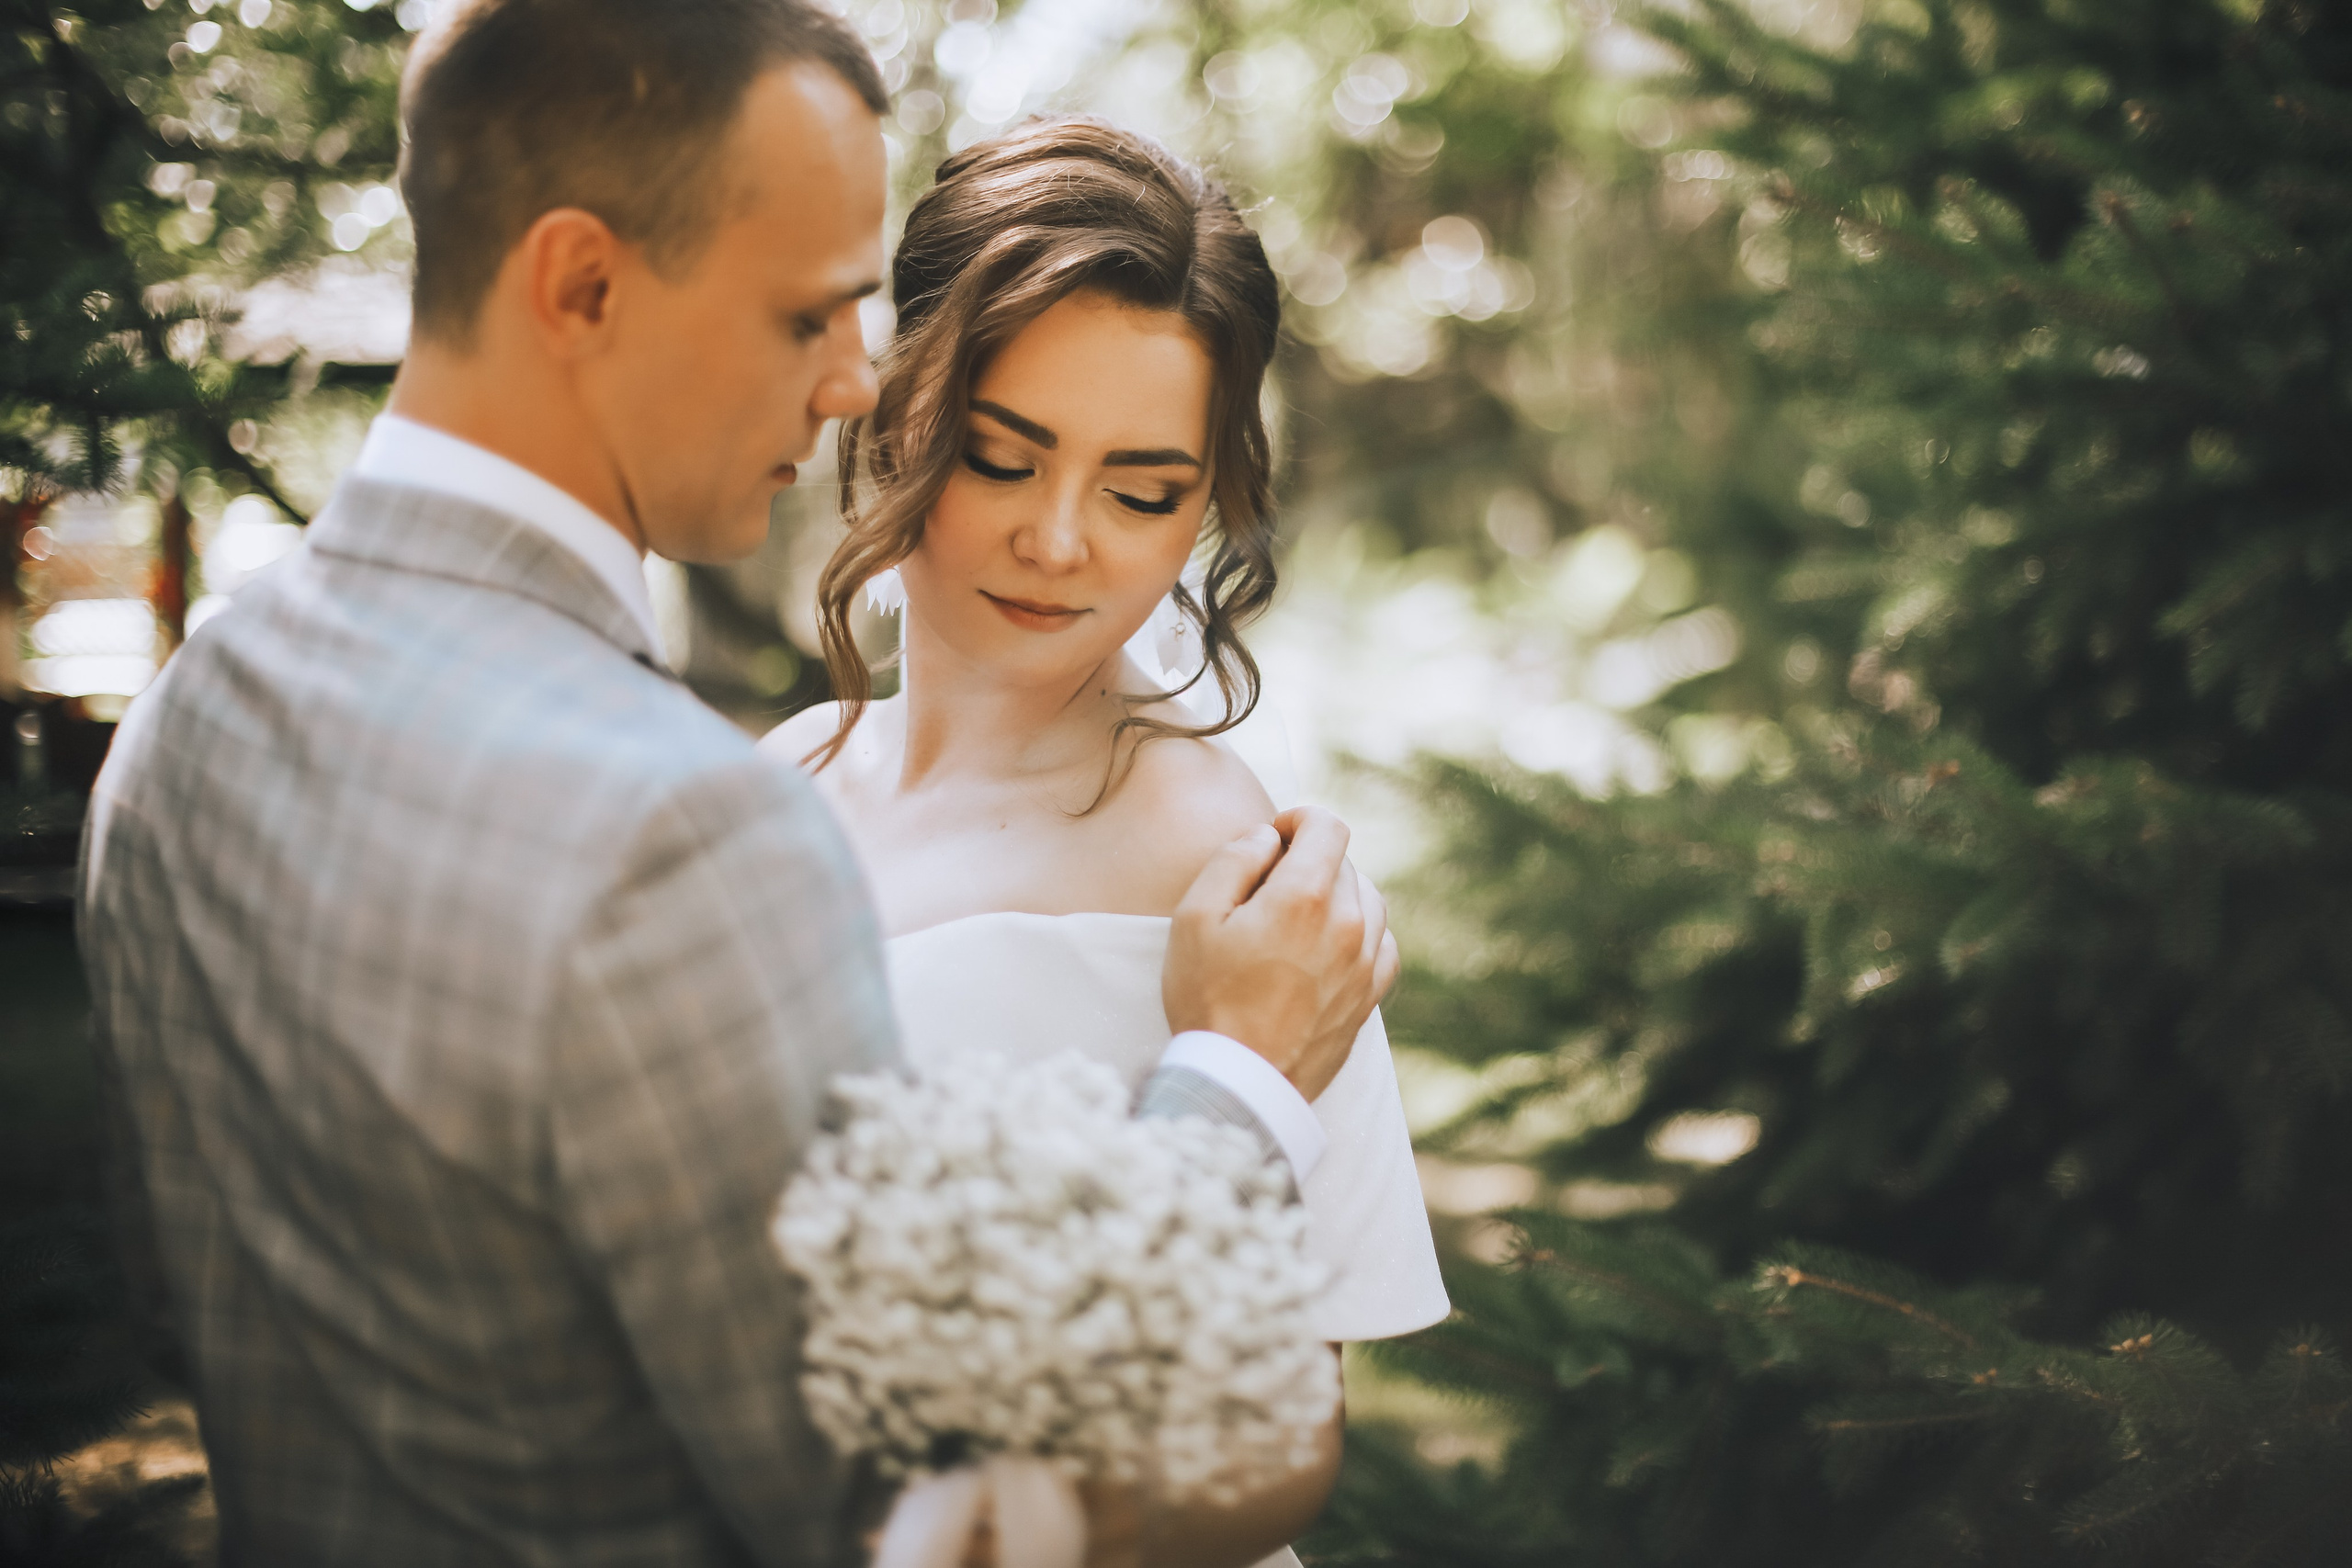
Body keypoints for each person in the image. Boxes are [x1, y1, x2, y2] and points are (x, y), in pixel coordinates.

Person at [76, 6, 1395, 1565]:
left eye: (1145, 487)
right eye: (806, 317)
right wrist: (1235, 1090)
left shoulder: (185, 728)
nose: (849, 380)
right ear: (581, 285)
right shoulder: (701, 831)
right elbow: (919, 1520)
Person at [761, 118, 1450, 1568]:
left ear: (1207, 501)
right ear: (896, 412)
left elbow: (1274, 1447)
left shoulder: (1231, 875)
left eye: (1143, 493)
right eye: (1003, 459)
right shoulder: (776, 789)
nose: (1062, 543)